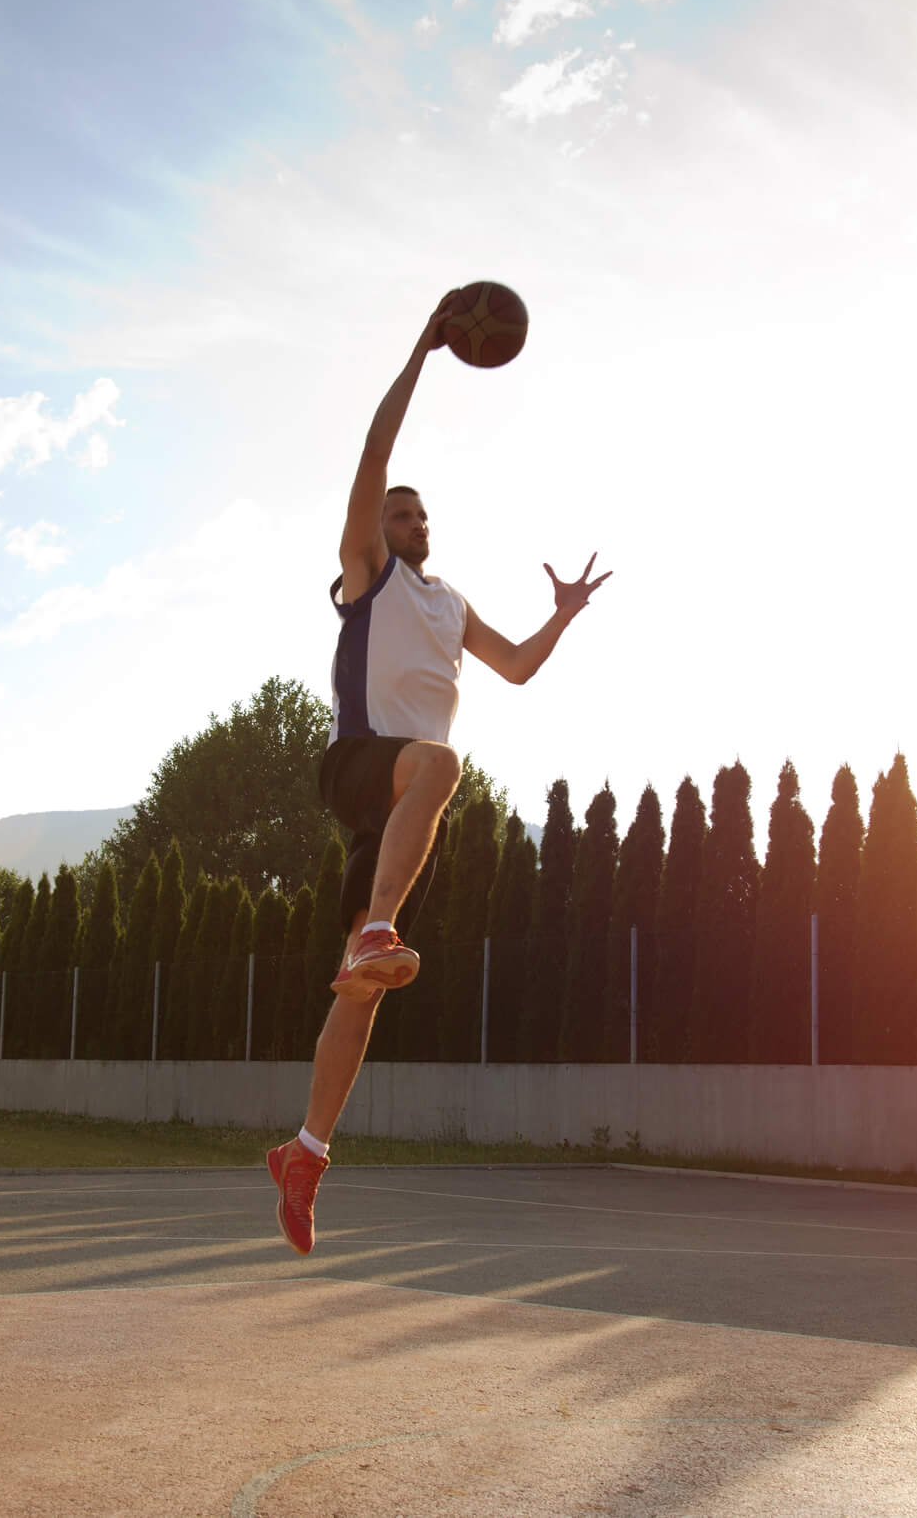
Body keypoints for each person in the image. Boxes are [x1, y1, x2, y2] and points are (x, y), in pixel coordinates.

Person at [267, 292, 611, 1254]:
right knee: (442, 762)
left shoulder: (450, 600)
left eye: (420, 513)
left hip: (402, 806)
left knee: (361, 989)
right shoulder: (366, 574)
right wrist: (422, 352)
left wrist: (566, 615)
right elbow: (372, 458)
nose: (411, 518)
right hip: (362, 764)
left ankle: (305, 1151)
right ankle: (379, 921)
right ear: (374, 529)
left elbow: (517, 667)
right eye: (397, 511)